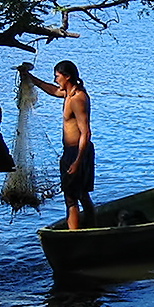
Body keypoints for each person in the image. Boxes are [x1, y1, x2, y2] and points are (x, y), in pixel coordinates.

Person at [19, 60, 94, 229]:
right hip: (71, 152)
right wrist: (31, 79)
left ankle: (74, 238)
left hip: (78, 152)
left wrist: (77, 161)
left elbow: (86, 133)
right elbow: (53, 90)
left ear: (67, 77)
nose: (55, 80)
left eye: (57, 77)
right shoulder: (68, 93)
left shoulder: (77, 99)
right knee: (81, 195)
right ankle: (91, 227)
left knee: (71, 199)